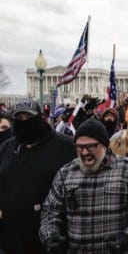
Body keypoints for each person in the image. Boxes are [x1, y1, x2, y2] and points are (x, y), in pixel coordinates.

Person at [40, 119, 128, 253]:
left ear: (104, 145)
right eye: (80, 147)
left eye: (91, 146)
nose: (84, 152)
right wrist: (50, 236)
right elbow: (50, 211)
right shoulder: (65, 174)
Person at [0, 99, 76, 254]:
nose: (24, 122)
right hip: (12, 237)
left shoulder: (65, 147)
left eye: (28, 117)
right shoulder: (7, 148)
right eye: (19, 118)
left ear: (40, 118)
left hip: (53, 238)